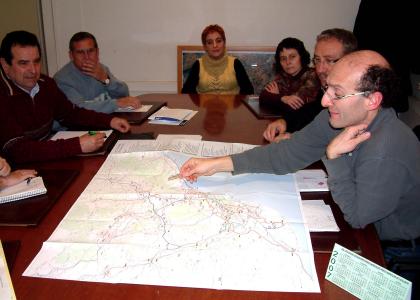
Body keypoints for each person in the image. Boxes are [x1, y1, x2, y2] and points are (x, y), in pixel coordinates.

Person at [180, 50, 420, 244]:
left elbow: (358, 218)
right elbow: (287, 153)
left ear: (372, 99)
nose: (325, 101)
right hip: (357, 215)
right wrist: (218, 164)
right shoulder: (341, 118)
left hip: (388, 243)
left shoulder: (386, 150)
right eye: (327, 89)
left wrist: (334, 158)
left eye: (337, 93)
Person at [0, 30, 130, 164]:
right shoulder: (3, 97)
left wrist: (110, 121)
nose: (33, 70)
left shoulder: (46, 84)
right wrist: (77, 145)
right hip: (15, 171)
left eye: (37, 61)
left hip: (47, 158)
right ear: (5, 65)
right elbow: (17, 151)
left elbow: (71, 114)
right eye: (23, 63)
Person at [263, 28, 358, 142]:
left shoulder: (359, 98)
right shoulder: (326, 89)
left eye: (329, 60)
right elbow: (312, 111)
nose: (320, 69)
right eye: (317, 60)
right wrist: (285, 122)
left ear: (351, 60)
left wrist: (296, 139)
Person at [54, 31, 141, 113]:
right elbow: (78, 111)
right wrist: (116, 103)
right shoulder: (61, 80)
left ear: (97, 52)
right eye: (80, 52)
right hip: (74, 128)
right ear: (71, 56)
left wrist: (106, 79)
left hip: (103, 121)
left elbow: (124, 94)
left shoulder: (99, 68)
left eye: (90, 51)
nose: (87, 57)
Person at [259, 37, 320, 134]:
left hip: (306, 130)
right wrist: (282, 98)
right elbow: (263, 97)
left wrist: (274, 98)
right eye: (283, 59)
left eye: (292, 57)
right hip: (285, 126)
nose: (288, 62)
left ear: (301, 57)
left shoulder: (313, 76)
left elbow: (293, 108)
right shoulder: (284, 76)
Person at [181, 24, 254, 95]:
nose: (215, 45)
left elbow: (248, 91)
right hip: (204, 107)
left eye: (219, 41)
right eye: (210, 42)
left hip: (231, 107)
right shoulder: (198, 64)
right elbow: (186, 92)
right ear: (205, 47)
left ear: (224, 43)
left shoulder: (235, 63)